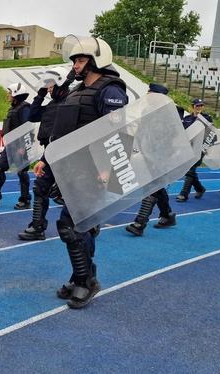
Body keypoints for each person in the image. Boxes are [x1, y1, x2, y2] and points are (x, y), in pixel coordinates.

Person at [34, 35, 128, 309]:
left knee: (72, 226)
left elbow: (117, 133)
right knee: (78, 227)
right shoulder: (75, 92)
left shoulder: (111, 91)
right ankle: (81, 276)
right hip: (70, 169)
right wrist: (45, 159)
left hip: (94, 170)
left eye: (82, 59)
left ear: (98, 60)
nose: (76, 65)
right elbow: (61, 133)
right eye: (74, 60)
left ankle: (86, 282)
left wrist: (107, 169)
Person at [18, 67, 74, 241]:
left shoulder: (70, 102)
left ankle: (89, 224)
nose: (49, 88)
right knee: (41, 187)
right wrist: (40, 94)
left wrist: (44, 159)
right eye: (47, 85)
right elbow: (33, 115)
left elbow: (63, 134)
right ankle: (37, 227)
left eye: (50, 85)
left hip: (65, 155)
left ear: (60, 82)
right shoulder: (53, 103)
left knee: (74, 192)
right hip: (51, 152)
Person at [125, 83, 177, 236]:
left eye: (151, 93)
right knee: (157, 187)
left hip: (161, 156)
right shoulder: (147, 111)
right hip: (147, 154)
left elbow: (171, 136)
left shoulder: (169, 113)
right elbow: (141, 132)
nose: (147, 96)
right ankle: (167, 215)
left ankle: (139, 224)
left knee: (150, 188)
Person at [0, 82, 31, 209]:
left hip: (19, 146)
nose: (8, 95)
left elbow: (26, 127)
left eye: (10, 92)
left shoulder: (24, 108)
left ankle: (25, 200)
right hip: (10, 146)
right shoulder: (13, 108)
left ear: (16, 94)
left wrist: (23, 147)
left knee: (22, 172)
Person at [176, 98, 212, 202]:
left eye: (201, 106)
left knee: (190, 170)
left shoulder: (207, 118)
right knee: (190, 171)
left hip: (200, 148)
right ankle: (200, 188)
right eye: (197, 106)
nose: (199, 108)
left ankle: (184, 194)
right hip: (188, 148)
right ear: (193, 107)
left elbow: (210, 132)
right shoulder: (187, 118)